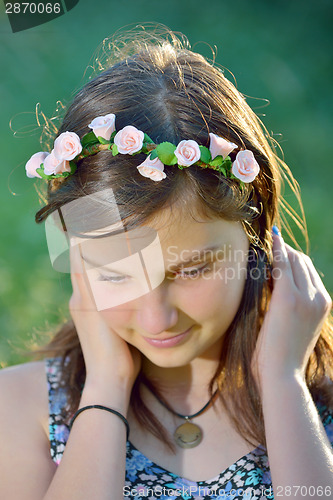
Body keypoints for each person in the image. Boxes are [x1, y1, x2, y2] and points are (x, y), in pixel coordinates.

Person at [0, 29, 332, 500]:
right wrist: (105, 388)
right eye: (115, 273)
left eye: (193, 270)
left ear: (258, 240)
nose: (158, 318)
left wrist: (283, 383)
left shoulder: (316, 403)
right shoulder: (20, 407)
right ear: (78, 258)